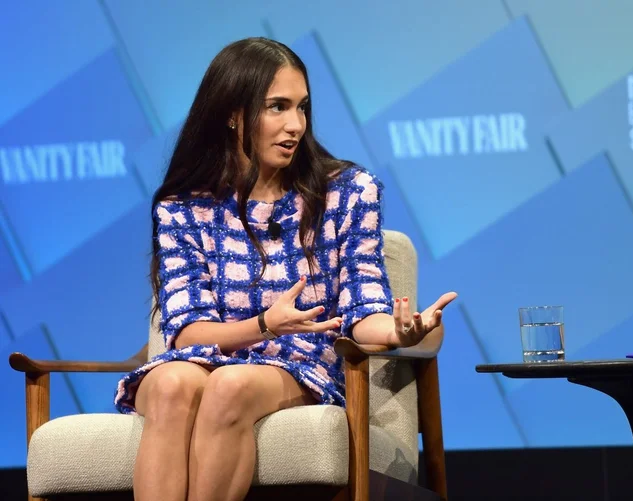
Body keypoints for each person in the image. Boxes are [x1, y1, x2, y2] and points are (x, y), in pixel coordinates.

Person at [113, 37, 457, 501]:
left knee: (229, 385)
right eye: (277, 107)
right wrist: (263, 325)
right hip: (197, 361)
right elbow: (187, 331)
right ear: (234, 113)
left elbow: (363, 307)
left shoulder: (348, 192)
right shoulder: (183, 207)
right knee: (172, 383)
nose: (295, 125)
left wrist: (403, 331)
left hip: (298, 365)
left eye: (302, 108)